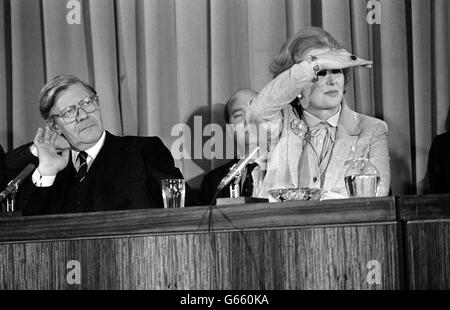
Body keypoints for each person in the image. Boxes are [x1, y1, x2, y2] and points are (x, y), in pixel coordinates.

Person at [12, 75, 187, 215]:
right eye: (69, 111)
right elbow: (28, 231)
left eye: (87, 103)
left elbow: (182, 211)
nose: (82, 115)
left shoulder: (144, 151)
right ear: (54, 126)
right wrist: (48, 172)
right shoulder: (48, 171)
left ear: (97, 103)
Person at [248, 27, 390, 198]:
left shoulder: (372, 129)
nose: (331, 81)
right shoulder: (280, 122)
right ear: (297, 85)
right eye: (320, 72)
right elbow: (258, 111)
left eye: (337, 70)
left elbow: (377, 195)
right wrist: (313, 63)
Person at [200, 88, 267, 204]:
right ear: (230, 130)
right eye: (239, 116)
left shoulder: (290, 170)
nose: (249, 122)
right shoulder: (213, 181)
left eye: (257, 112)